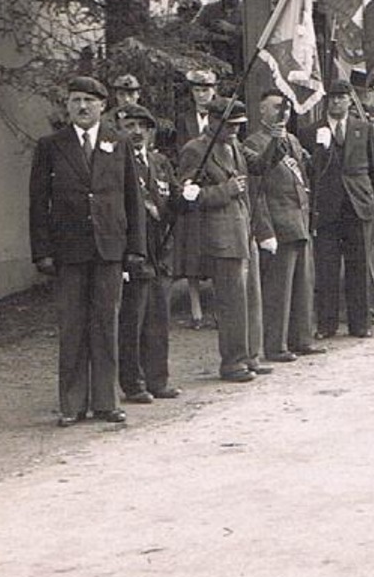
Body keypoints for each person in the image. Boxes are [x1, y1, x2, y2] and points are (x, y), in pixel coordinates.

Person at [29, 77, 145, 426]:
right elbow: (37, 203)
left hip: (109, 247)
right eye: (76, 100)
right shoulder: (51, 146)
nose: (82, 107)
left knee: (106, 324)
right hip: (69, 250)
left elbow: (132, 200)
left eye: (89, 101)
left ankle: (106, 402)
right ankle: (72, 404)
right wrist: (42, 252)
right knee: (73, 325)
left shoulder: (118, 142)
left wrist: (136, 248)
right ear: (67, 105)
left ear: (102, 106)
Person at [178, 99, 269, 382]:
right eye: (229, 126)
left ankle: (251, 356)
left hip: (244, 230)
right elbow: (188, 196)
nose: (234, 131)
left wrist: (277, 136)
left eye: (238, 126)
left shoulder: (236, 146)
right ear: (212, 121)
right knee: (231, 303)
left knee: (251, 299)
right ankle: (232, 362)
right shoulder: (195, 150)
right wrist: (225, 190)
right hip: (220, 235)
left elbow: (261, 165)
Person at [243, 91, 326, 361]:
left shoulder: (292, 139)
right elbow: (257, 190)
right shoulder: (253, 143)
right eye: (277, 107)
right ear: (262, 111)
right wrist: (265, 230)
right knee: (278, 291)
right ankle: (276, 345)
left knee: (303, 285)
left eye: (287, 109)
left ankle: (302, 338)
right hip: (278, 223)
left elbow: (305, 177)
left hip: (299, 219)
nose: (283, 113)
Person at [115, 105, 180, 402]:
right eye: (130, 126)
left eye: (143, 126)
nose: (137, 132)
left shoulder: (160, 163)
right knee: (133, 322)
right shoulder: (115, 164)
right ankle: (134, 383)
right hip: (134, 254)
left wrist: (188, 197)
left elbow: (174, 199)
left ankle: (158, 380)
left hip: (161, 252)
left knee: (158, 320)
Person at [309, 81, 374, 338]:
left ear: (351, 100)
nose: (337, 102)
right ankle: (326, 325)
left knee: (359, 266)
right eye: (332, 98)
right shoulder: (313, 131)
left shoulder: (363, 129)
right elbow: (310, 171)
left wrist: (363, 195)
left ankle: (360, 324)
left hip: (356, 206)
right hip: (326, 208)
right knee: (326, 268)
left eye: (342, 97)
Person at [170, 69, 221, 329]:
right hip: (192, 185)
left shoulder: (222, 116)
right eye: (197, 90)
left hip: (215, 187)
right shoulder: (184, 119)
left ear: (214, 89)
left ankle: (217, 309)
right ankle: (196, 309)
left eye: (206, 89)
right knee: (191, 246)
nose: (202, 95)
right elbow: (181, 152)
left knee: (215, 245)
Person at [192, 0, 245, 69]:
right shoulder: (210, 10)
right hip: (215, 62)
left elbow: (257, 33)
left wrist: (232, 29)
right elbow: (193, 31)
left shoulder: (249, 11)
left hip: (243, 61)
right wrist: (219, 37)